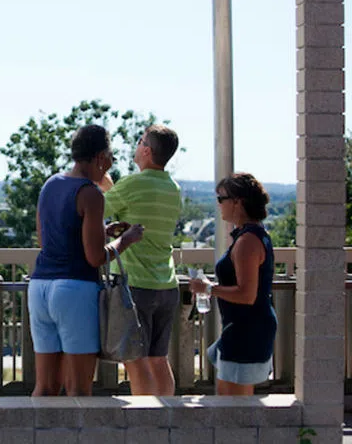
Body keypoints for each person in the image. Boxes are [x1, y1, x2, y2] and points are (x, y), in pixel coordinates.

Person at [29, 124, 144, 396]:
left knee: (45, 387)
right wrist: (126, 239)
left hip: (40, 287)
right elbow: (95, 258)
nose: (112, 162)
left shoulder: (51, 185)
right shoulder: (91, 193)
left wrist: (99, 232)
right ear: (101, 156)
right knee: (79, 391)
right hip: (75, 290)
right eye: (111, 156)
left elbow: (48, 241)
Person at [97, 124, 182, 396]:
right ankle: (167, 421)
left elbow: (99, 206)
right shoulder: (173, 188)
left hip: (136, 286)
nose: (136, 144)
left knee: (136, 360)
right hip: (166, 285)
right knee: (159, 359)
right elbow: (120, 198)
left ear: (146, 150)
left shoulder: (133, 184)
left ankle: (143, 423)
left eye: (140, 140)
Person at [190, 173, 277, 395]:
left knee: (233, 412)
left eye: (221, 199)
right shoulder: (253, 234)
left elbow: (247, 295)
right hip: (244, 328)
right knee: (233, 406)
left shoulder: (247, 241)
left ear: (237, 201)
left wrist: (208, 289)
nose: (218, 205)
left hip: (246, 332)